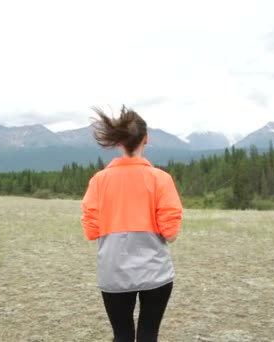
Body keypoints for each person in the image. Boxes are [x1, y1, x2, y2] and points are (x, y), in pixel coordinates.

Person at [81, 106, 183, 342]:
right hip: (156, 274)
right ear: (145, 139)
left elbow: (91, 230)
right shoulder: (161, 179)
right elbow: (170, 232)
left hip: (113, 273)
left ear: (118, 143)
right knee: (148, 335)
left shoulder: (98, 181)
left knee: (122, 335)